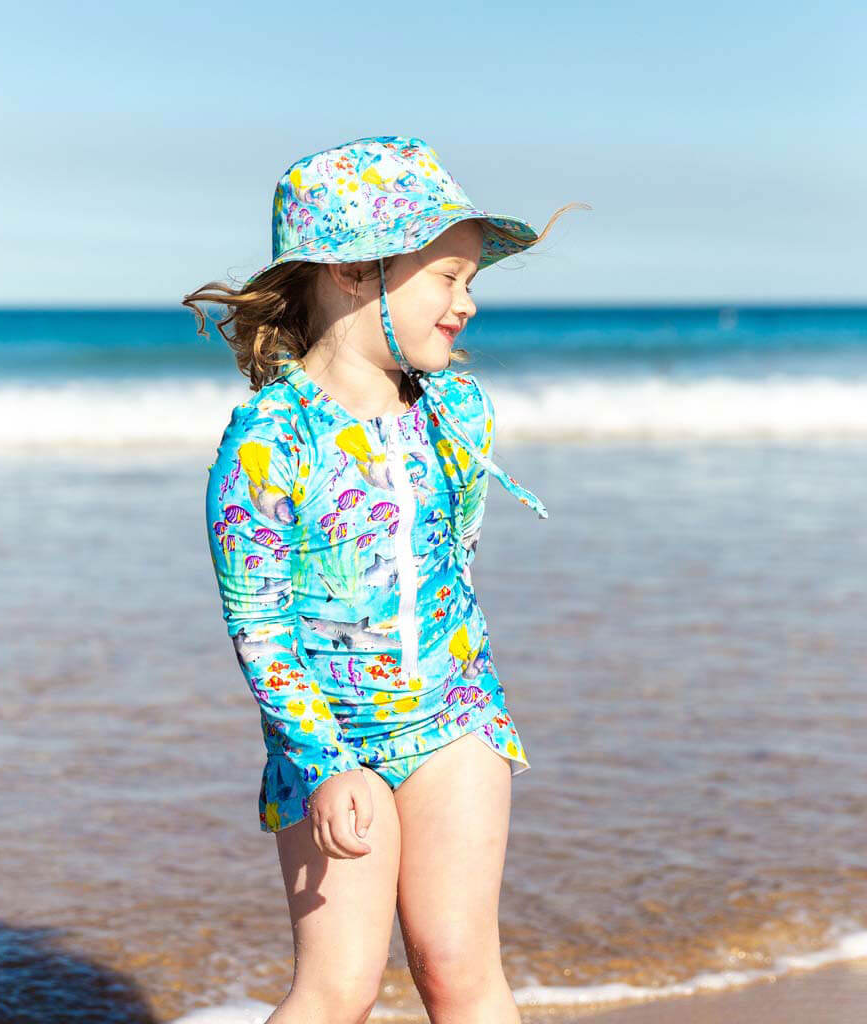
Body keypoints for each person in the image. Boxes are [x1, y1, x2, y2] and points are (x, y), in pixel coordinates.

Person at [184, 135, 586, 1024]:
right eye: (446, 277)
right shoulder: (270, 438)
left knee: (459, 966)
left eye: (471, 281)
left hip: (456, 719)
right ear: (355, 272)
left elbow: (455, 572)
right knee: (339, 988)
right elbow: (258, 620)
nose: (467, 303)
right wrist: (324, 763)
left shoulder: (459, 412)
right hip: (329, 739)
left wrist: (460, 687)